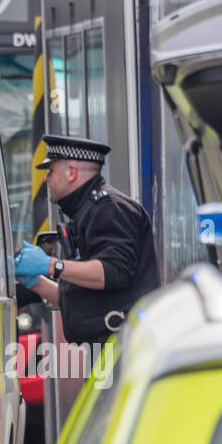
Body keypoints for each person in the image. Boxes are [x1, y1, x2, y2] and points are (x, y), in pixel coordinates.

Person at [15, 134, 160, 346]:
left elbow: (113, 272)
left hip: (122, 345)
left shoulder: (107, 209)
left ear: (71, 173)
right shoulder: (86, 211)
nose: (46, 178)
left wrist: (51, 265)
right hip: (111, 343)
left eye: (50, 170)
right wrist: (36, 283)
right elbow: (84, 298)